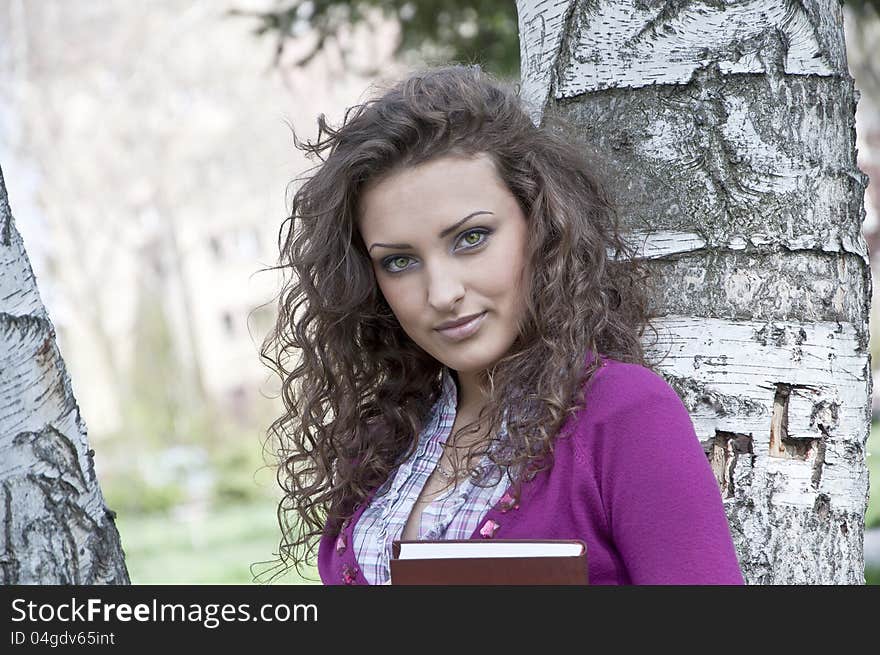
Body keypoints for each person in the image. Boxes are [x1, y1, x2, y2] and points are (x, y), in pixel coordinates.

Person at [261, 64, 745, 585]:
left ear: (540, 223)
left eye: (471, 239)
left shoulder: (622, 413)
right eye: (399, 261)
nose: (442, 293)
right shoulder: (383, 441)